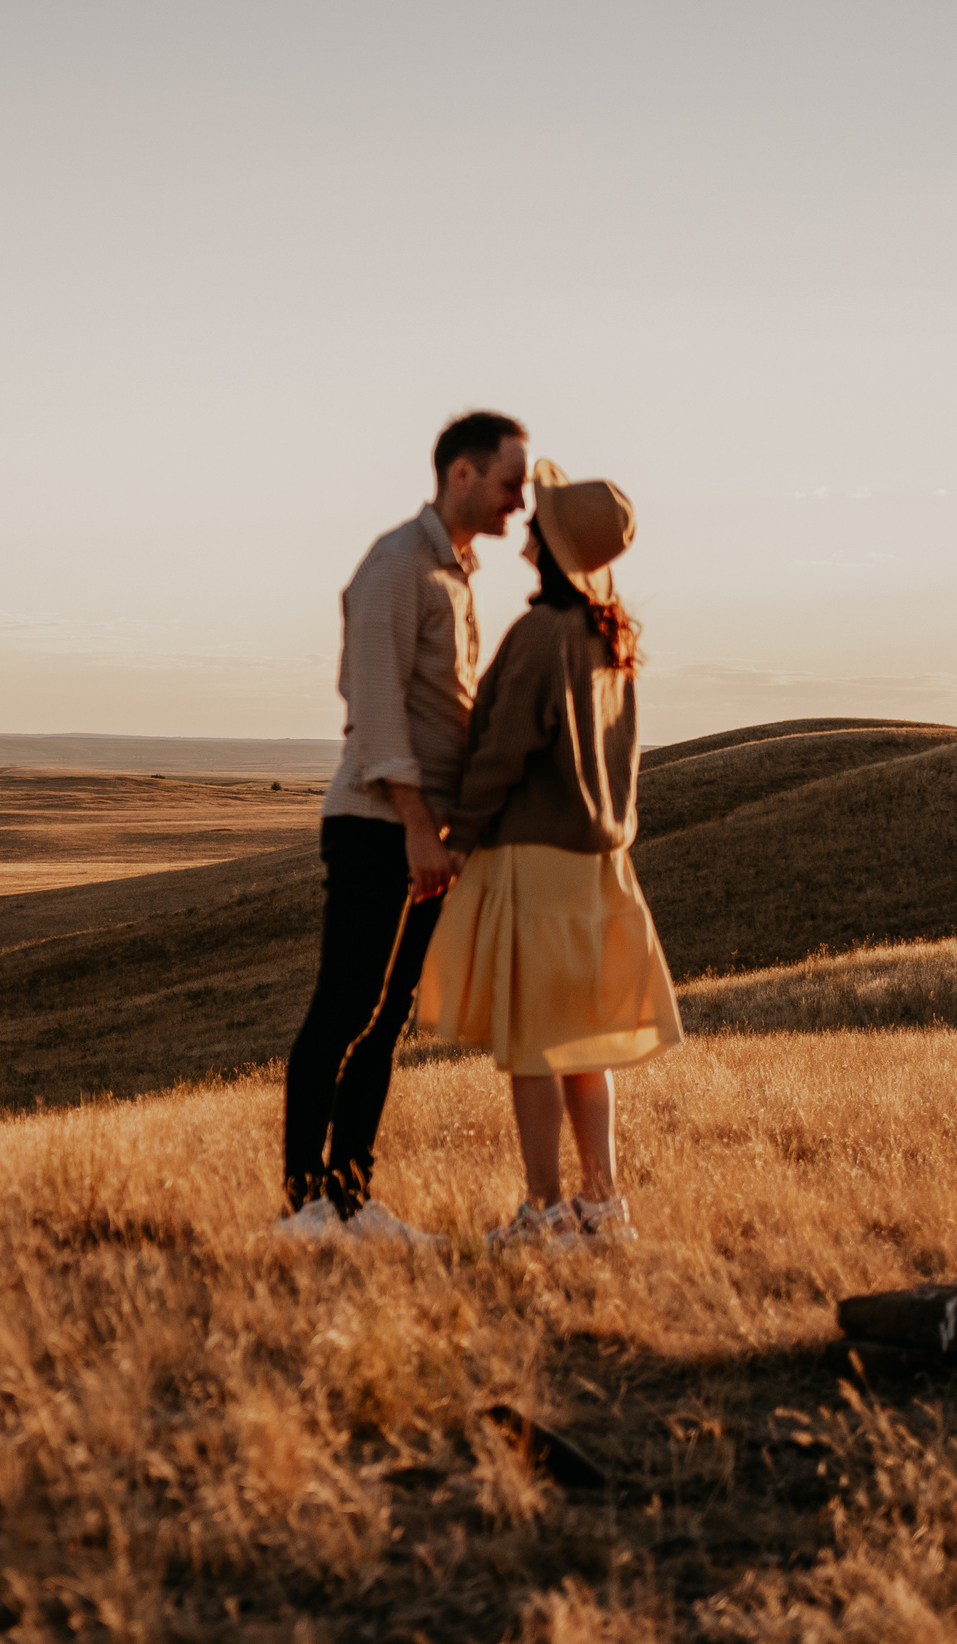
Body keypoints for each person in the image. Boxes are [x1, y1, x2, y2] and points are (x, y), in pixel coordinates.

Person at [277, 411, 528, 1245]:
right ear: (462, 474)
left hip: (426, 835)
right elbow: (377, 708)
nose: (518, 503)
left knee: (386, 1020)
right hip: (378, 825)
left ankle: (352, 1197)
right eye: (508, 483)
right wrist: (420, 826)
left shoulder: (456, 574)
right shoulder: (396, 565)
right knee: (343, 1009)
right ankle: (304, 1203)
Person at [415, 461, 680, 1246]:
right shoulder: (612, 642)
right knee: (581, 1045)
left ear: (556, 550)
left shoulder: (541, 634)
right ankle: (602, 1205)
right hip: (599, 870)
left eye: (543, 521)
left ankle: (543, 1210)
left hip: (532, 858)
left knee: (530, 1045)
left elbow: (499, 751)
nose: (528, 523)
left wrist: (455, 835)